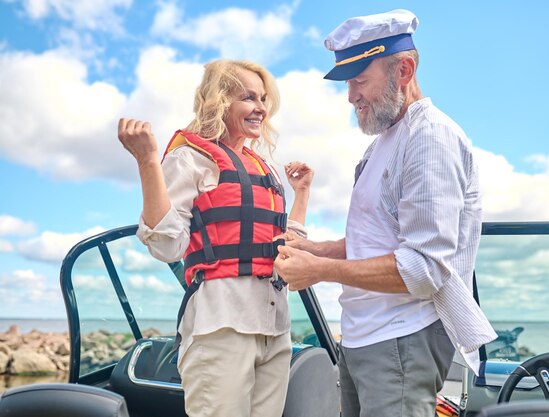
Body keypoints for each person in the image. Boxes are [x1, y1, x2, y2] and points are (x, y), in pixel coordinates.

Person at [274, 9, 497, 417]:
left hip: (401, 340)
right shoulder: (380, 146)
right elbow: (376, 241)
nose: (351, 95)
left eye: (360, 80)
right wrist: (316, 250)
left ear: (404, 70)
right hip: (364, 337)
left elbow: (425, 268)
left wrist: (318, 271)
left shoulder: (429, 138)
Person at [117, 59, 314, 417]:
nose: (261, 108)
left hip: (275, 328)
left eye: (264, 99)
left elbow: (287, 248)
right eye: (248, 98)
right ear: (220, 100)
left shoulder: (264, 167)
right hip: (221, 326)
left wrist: (301, 195)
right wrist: (147, 160)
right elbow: (166, 245)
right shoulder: (190, 158)